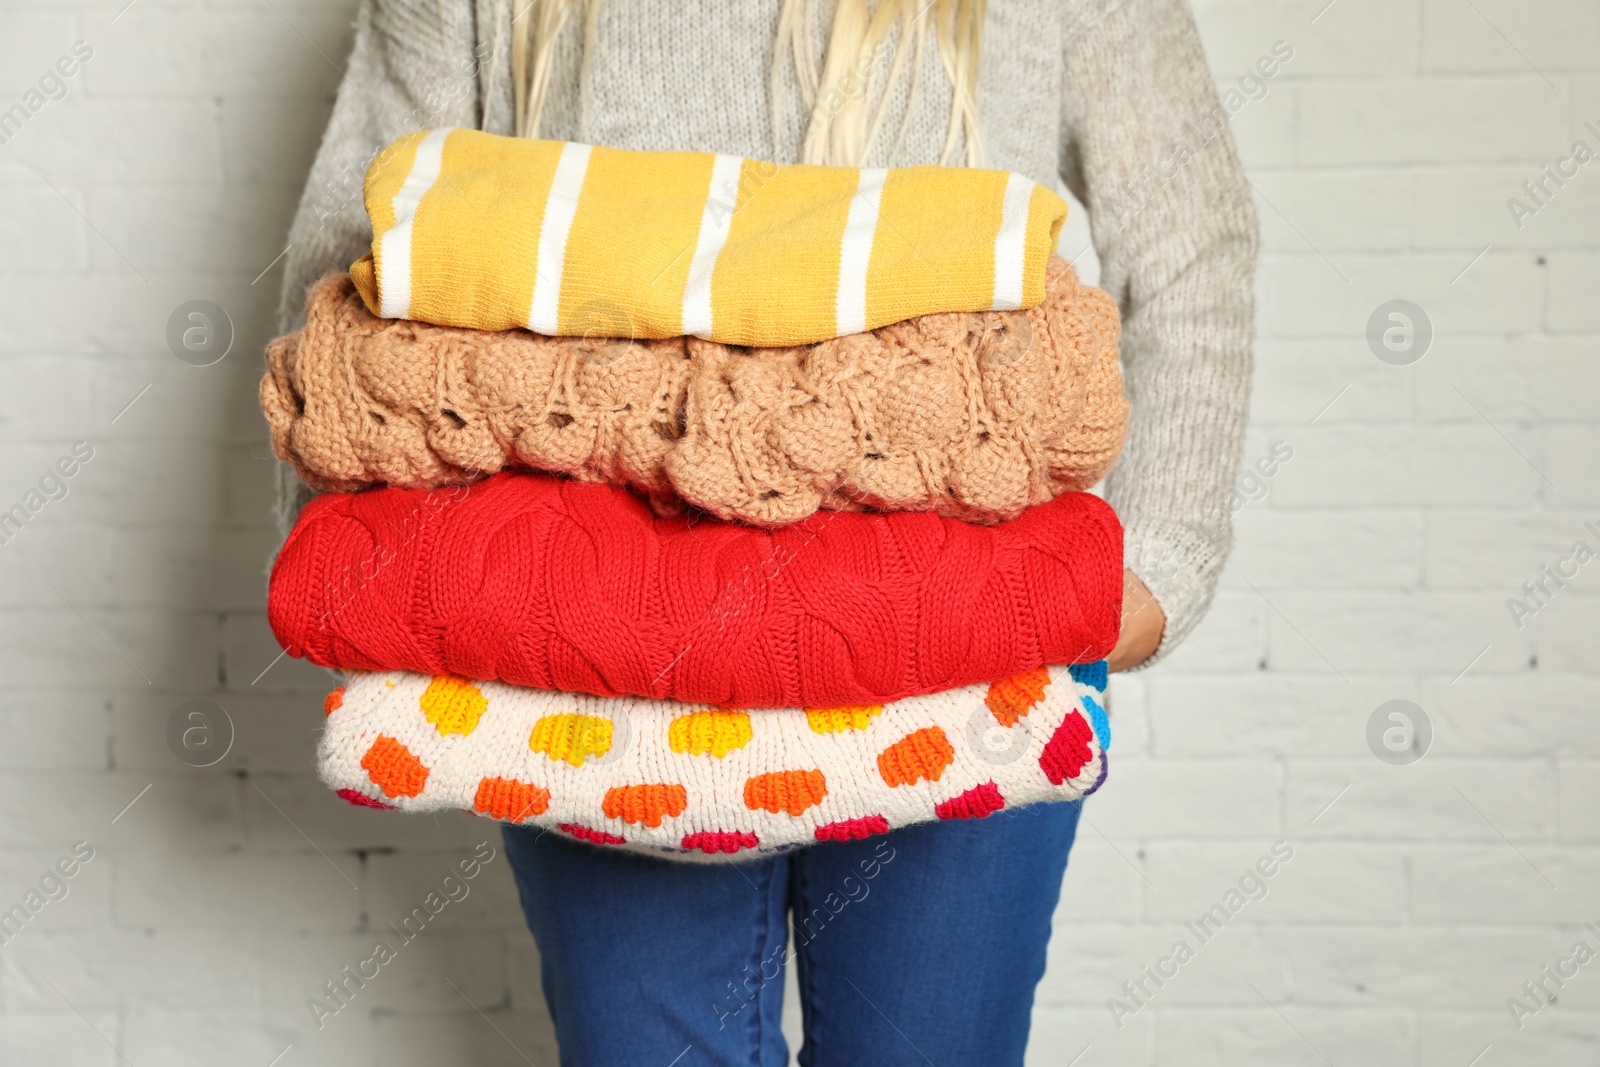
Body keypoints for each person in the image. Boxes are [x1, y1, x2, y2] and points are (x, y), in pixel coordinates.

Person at [275, 2, 1256, 1063]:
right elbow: (361, 245)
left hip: (968, 641)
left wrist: (1157, 559)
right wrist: (359, 573)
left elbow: (1190, 234)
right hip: (594, 649)